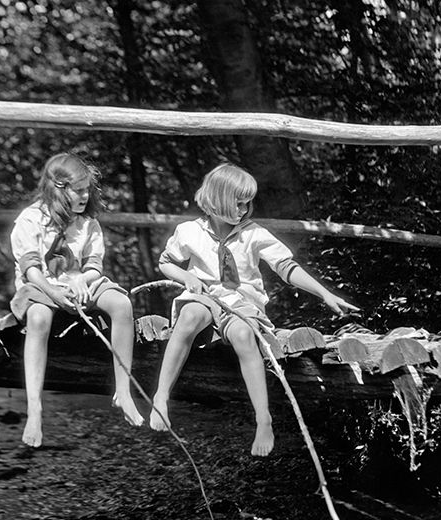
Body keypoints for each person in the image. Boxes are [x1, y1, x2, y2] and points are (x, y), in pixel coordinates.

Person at [150, 162, 359, 456]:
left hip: (242, 305)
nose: (245, 209)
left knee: (243, 336)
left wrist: (324, 294)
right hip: (205, 298)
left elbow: (286, 267)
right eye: (239, 203)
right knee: (189, 316)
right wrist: (187, 276)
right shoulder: (188, 232)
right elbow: (166, 262)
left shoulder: (254, 233)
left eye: (248, 203)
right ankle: (161, 396)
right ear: (218, 200)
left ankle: (263, 418)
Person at [9, 152, 143, 448]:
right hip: (43, 286)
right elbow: (30, 269)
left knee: (122, 305)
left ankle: (123, 392)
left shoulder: (88, 224)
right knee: (39, 318)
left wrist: (83, 280)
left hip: (80, 286)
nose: (85, 196)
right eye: (78, 190)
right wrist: (55, 293)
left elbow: (94, 266)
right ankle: (35, 408)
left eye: (88, 190)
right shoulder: (31, 220)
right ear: (59, 188)